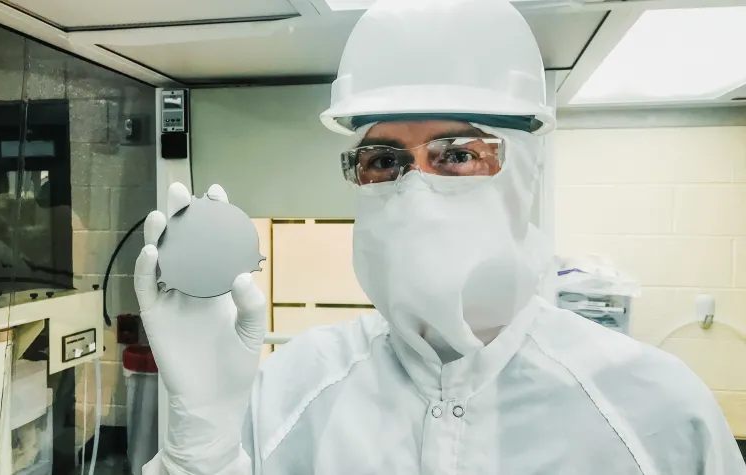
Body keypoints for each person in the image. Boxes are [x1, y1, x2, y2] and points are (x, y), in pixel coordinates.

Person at [134, 0, 746, 473]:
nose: (413, 189)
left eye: (457, 154)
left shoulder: (658, 413)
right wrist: (202, 450)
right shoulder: (285, 390)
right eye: (382, 160)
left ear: (525, 172)